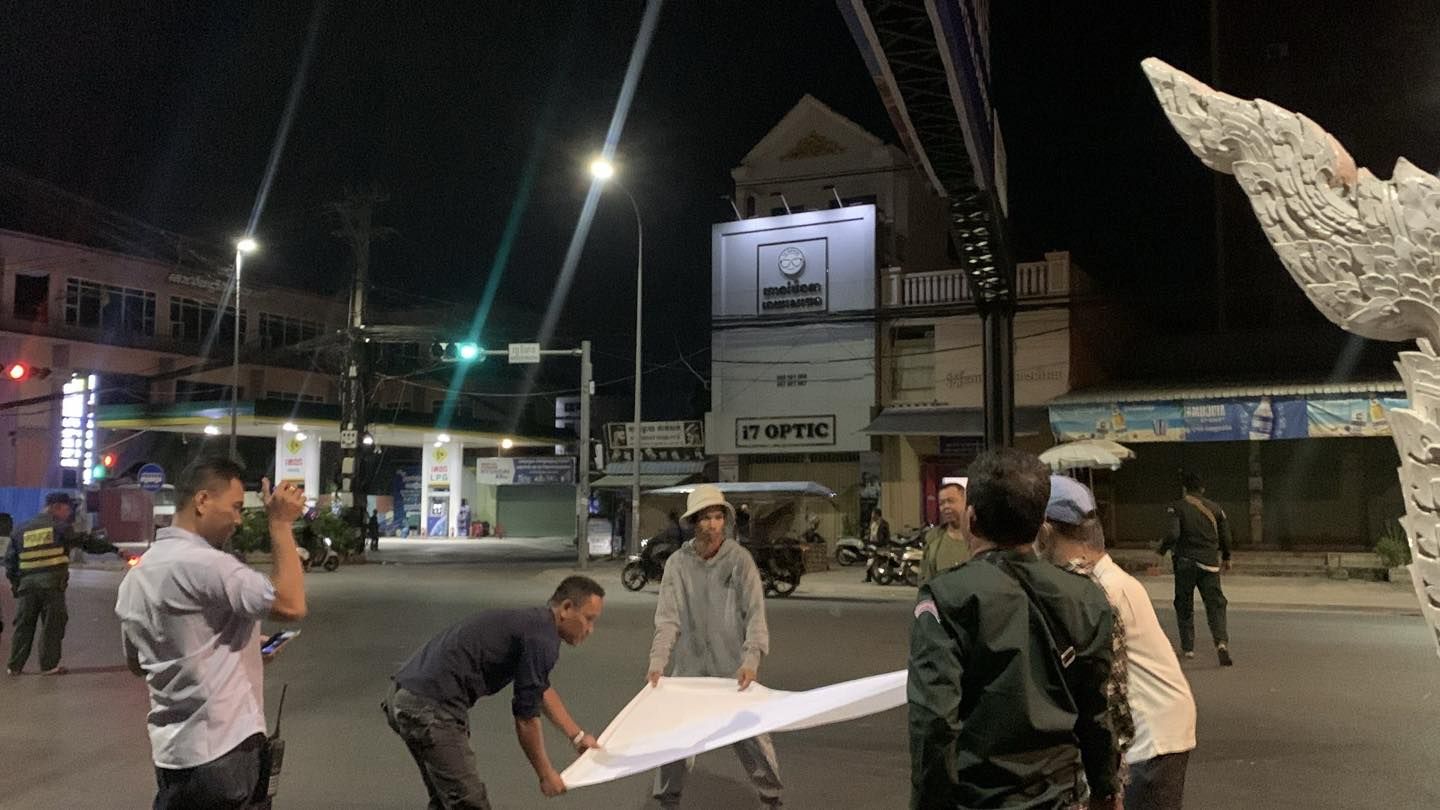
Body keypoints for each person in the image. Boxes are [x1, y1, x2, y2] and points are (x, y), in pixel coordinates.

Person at [909, 448, 1122, 810]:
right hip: (1061, 796)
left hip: (981, 799)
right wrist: (1105, 789)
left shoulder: (947, 597)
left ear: (971, 518)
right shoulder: (1086, 597)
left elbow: (934, 723)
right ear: (1041, 524)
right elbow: (1096, 712)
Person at [115, 458, 308, 809]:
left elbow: (140, 662)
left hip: (173, 757)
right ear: (202, 500)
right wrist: (280, 524)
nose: (238, 520)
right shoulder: (210, 565)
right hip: (225, 749)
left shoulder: (137, 577)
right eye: (235, 507)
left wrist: (235, 649)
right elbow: (291, 604)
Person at [1039, 476, 1196, 810]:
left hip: (1151, 736)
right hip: (1155, 730)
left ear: (1045, 533)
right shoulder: (1106, 582)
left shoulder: (1102, 592)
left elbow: (1099, 685)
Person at [384, 576, 606, 808]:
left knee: (446, 800)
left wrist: (577, 736)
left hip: (405, 695)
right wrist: (546, 774)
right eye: (588, 619)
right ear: (566, 608)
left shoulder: (534, 624)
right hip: (429, 707)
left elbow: (540, 688)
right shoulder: (542, 638)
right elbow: (526, 718)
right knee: (470, 803)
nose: (590, 630)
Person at [647, 484, 782, 809]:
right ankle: (668, 800)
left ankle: (771, 798)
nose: (713, 525)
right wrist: (658, 662)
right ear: (694, 522)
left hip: (733, 671)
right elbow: (668, 619)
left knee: (753, 737)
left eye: (718, 517)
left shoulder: (739, 560)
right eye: (706, 518)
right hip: (689, 672)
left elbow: (755, 615)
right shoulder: (678, 564)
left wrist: (750, 660)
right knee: (675, 738)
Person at [6, 492, 124, 676]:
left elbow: (10, 564)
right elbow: (86, 543)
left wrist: (17, 587)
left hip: (27, 587)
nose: (68, 514)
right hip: (52, 587)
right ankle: (48, 666)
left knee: (24, 626)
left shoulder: (21, 530)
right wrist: (114, 549)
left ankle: (14, 667)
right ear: (56, 507)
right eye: (67, 509)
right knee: (53, 625)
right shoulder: (60, 528)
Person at [1158, 472, 1234, 666]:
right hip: (1209, 563)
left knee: (1184, 603)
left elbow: (1173, 534)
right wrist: (1226, 557)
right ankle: (1221, 643)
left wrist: (1161, 551)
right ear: (1203, 489)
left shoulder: (1177, 507)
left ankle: (1188, 648)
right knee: (1215, 604)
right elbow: (1226, 537)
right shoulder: (1216, 509)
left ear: (1185, 489)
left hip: (1185, 562)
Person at [919, 482, 970, 583]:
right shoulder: (934, 538)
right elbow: (925, 580)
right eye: (941, 503)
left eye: (951, 501)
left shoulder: (980, 538)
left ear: (965, 501)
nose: (946, 506)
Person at [863, 507, 896, 583]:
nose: (872, 516)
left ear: (877, 515)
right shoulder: (872, 523)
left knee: (879, 560)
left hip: (879, 544)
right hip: (872, 543)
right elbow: (871, 532)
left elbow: (887, 535)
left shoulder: (883, 523)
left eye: (873, 514)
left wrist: (886, 543)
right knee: (870, 559)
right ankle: (868, 577)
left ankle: (880, 575)